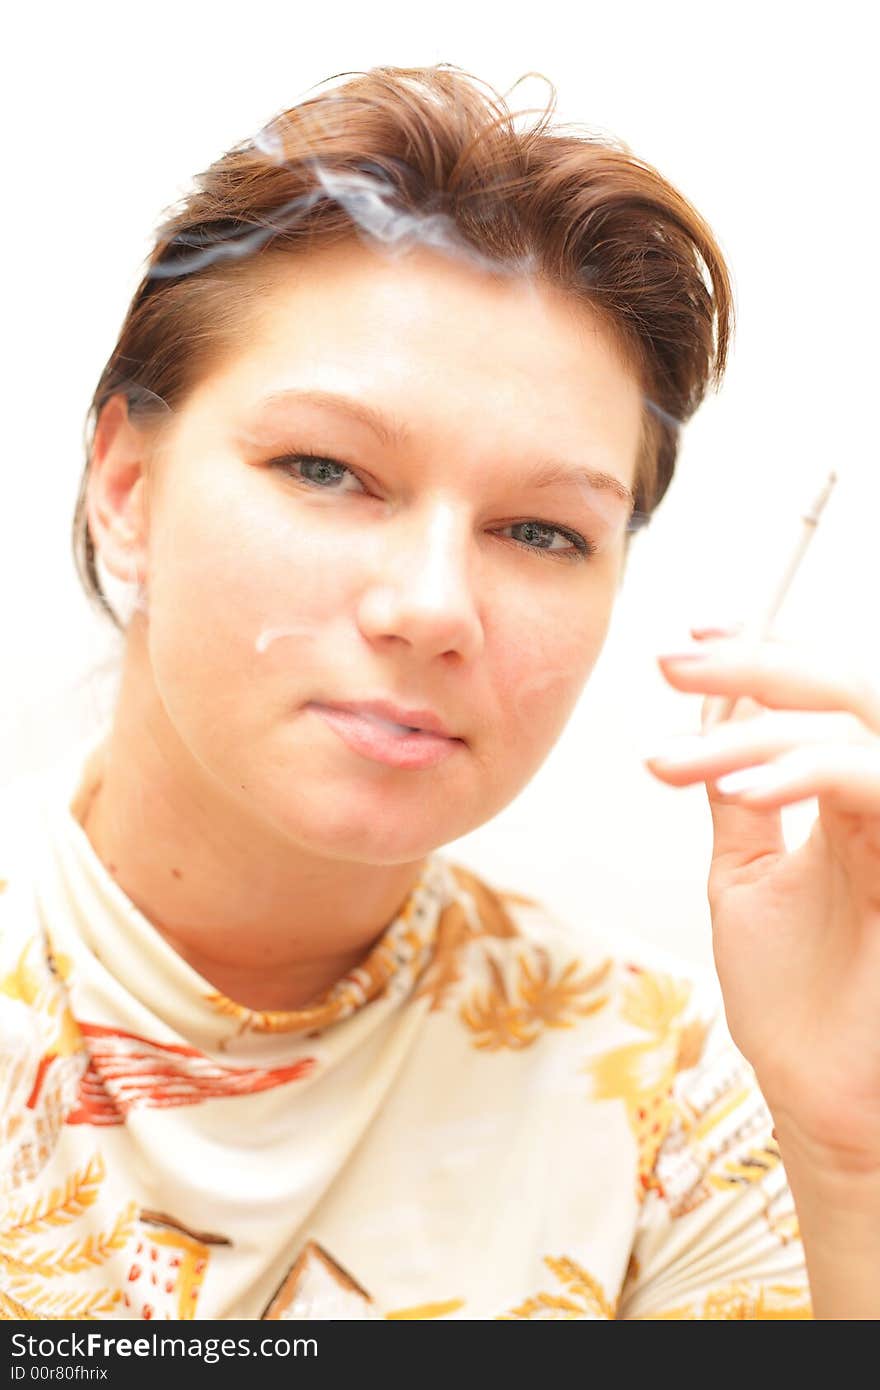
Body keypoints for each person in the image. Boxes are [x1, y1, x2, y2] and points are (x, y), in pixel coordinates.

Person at [1, 64, 877, 1322]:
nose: (432, 607)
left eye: (540, 533)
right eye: (326, 467)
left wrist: (849, 1162)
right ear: (128, 490)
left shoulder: (667, 1098)